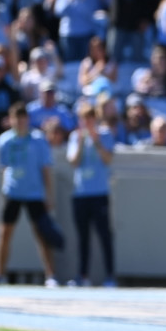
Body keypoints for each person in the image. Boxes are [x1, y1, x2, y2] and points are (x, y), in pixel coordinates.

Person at [0, 103, 60, 287]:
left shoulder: (38, 139)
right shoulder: (5, 141)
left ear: (27, 119)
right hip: (13, 192)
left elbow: (46, 170)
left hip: (34, 193)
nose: (19, 122)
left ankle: (51, 275)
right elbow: (5, 168)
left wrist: (48, 195)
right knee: (4, 234)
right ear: (11, 120)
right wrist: (3, 190)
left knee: (42, 234)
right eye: (16, 118)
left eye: (22, 118)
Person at [66, 100, 116, 288]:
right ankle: (82, 275)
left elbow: (107, 159)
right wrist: (80, 142)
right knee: (82, 237)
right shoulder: (75, 137)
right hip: (81, 193)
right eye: (83, 119)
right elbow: (74, 162)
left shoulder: (105, 135)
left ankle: (110, 275)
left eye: (89, 119)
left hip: (99, 192)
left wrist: (96, 141)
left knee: (104, 236)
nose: (86, 123)